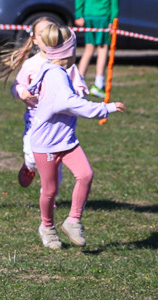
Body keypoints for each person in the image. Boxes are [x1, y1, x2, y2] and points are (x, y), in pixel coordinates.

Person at [27, 25, 126, 249]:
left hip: (67, 140)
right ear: (68, 53)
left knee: (86, 174)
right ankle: (47, 226)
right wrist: (105, 108)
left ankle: (73, 220)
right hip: (46, 144)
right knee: (50, 190)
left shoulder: (59, 72)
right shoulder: (55, 76)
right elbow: (69, 104)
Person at [1, 16, 88, 188]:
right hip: (36, 121)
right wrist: (23, 93)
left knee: (56, 161)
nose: (47, 39)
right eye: (42, 34)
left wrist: (73, 96)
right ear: (33, 39)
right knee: (33, 158)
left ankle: (49, 197)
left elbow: (81, 89)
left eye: (51, 34)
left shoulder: (67, 64)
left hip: (60, 124)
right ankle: (29, 167)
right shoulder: (31, 65)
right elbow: (16, 87)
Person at [74, 0, 119, 98]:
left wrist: (78, 14)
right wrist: (114, 20)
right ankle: (98, 84)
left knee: (88, 49)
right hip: (102, 17)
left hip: (88, 16)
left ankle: (77, 83)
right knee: (102, 49)